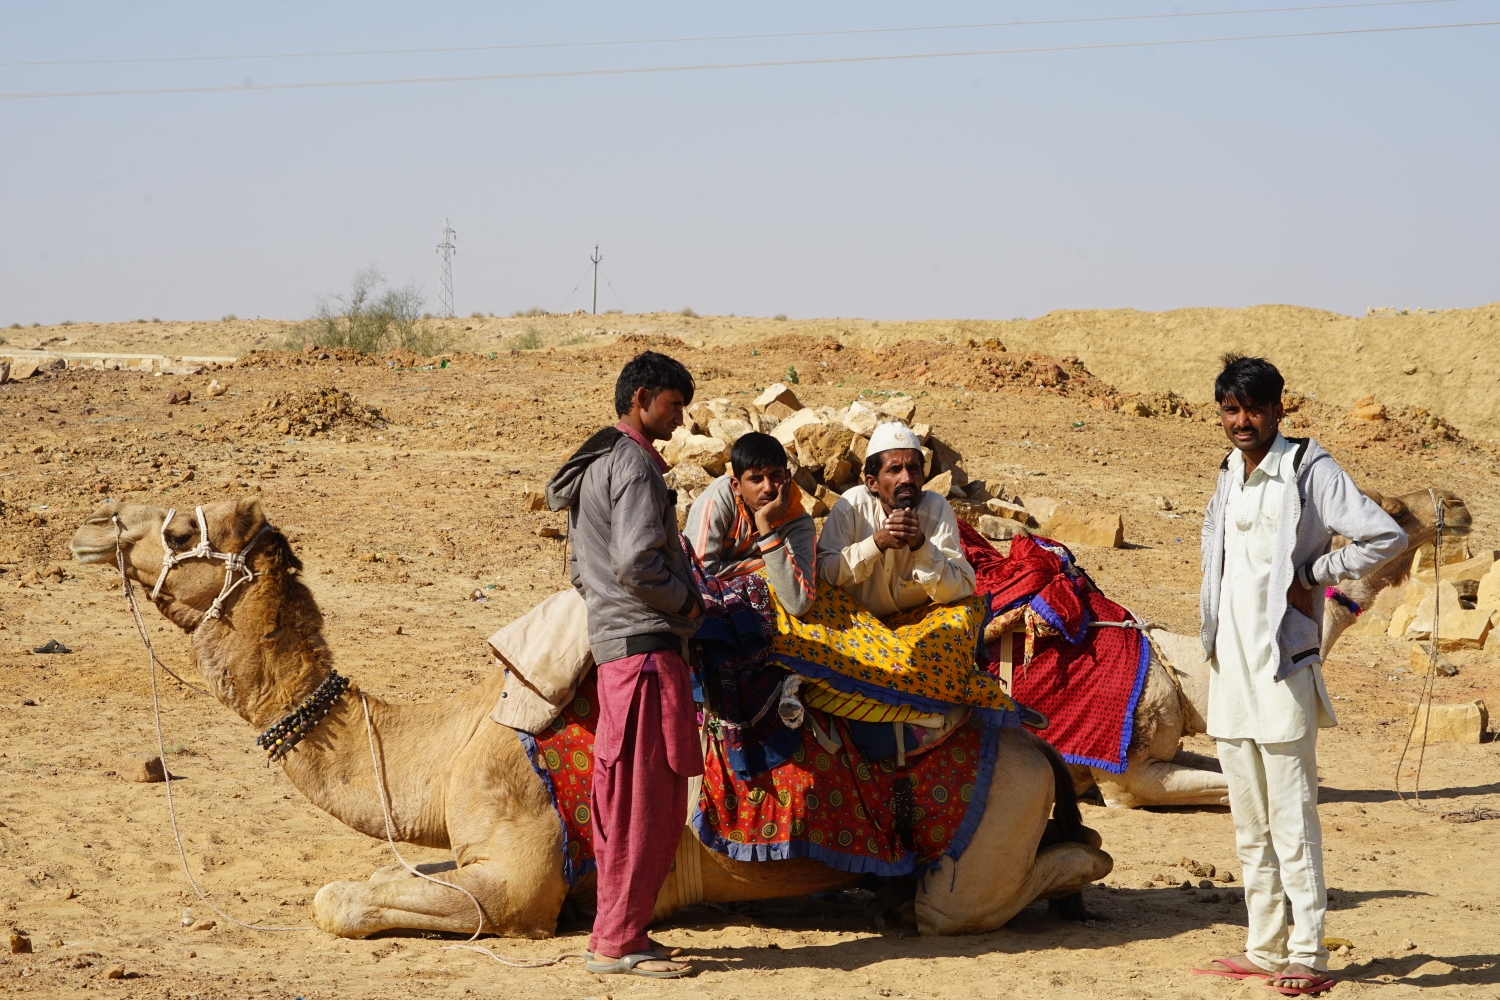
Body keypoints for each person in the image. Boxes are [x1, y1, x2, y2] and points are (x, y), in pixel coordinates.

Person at [1191, 354, 1405, 996]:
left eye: (1255, 408)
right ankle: (1265, 948)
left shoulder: (1311, 468)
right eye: (1232, 409)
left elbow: (1383, 535)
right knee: (1248, 822)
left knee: (1293, 819)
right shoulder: (1228, 472)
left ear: (1279, 408)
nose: (1243, 420)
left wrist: (1314, 575)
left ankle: (1308, 956)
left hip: (1283, 672)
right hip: (1230, 671)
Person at [544, 350, 704, 980]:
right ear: (642, 398)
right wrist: (689, 600)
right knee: (647, 801)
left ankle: (617, 931)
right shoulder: (635, 465)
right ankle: (617, 941)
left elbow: (590, 571)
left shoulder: (596, 463)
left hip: (618, 647)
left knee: (623, 797)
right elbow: (638, 561)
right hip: (644, 651)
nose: (680, 418)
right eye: (673, 405)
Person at [815, 421, 975, 615]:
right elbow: (823, 575)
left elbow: (962, 587)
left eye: (914, 469)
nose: (907, 478)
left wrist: (920, 545)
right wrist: (877, 543)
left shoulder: (936, 508)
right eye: (894, 470)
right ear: (872, 483)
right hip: (858, 625)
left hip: (918, 624)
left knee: (966, 613)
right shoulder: (852, 506)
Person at [685, 431, 817, 616]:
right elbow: (697, 574)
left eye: (775, 476)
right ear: (736, 486)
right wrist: (765, 563)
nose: (768, 487)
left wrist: (764, 525)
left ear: (788, 477)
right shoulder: (719, 497)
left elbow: (798, 603)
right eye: (756, 479)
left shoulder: (799, 523)